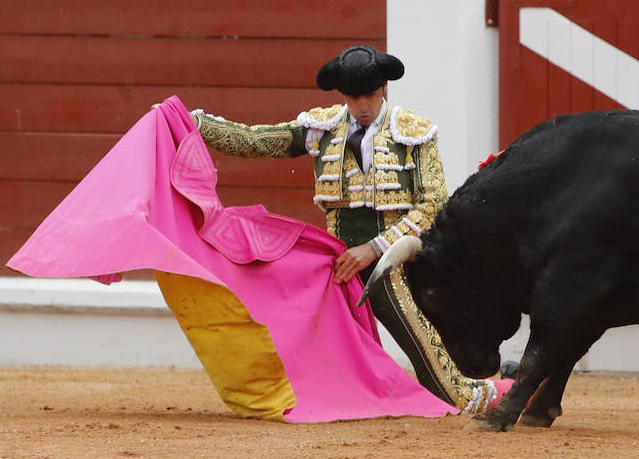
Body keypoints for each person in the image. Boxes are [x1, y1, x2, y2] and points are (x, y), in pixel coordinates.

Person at [190, 43, 506, 412]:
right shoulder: (322, 130)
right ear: (344, 96)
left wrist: (374, 248)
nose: (363, 106)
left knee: (441, 379)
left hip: (396, 260)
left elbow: (433, 203)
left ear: (384, 88)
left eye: (370, 95)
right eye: (354, 97)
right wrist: (195, 123)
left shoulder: (413, 133)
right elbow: (254, 142)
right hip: (337, 260)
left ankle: (483, 390)